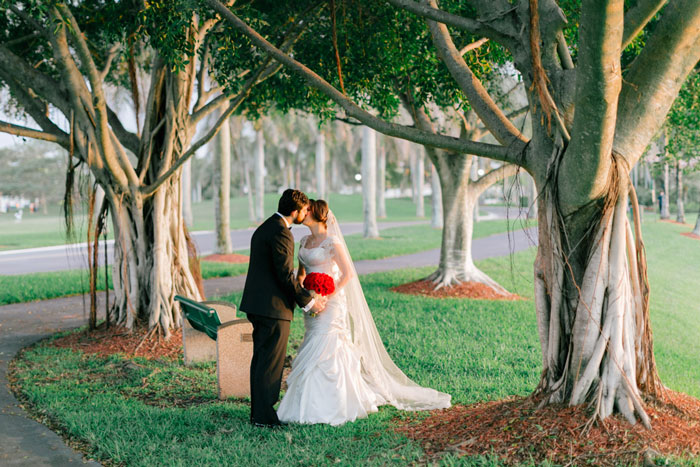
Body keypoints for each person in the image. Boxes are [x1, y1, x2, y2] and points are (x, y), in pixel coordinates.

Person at [277, 199, 451, 426]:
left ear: (318, 215)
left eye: (308, 210)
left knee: (329, 345)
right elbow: (300, 274)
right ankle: (304, 402)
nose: (303, 213)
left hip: (332, 302)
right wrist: (304, 297)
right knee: (312, 342)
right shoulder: (304, 240)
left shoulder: (332, 241)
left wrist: (328, 294)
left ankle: (335, 403)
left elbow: (348, 273)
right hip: (311, 301)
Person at [240, 189, 328, 429]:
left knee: (261, 361)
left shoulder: (266, 226)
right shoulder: (281, 232)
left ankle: (258, 414)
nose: (305, 214)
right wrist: (309, 301)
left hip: (259, 305)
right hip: (272, 308)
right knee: (270, 364)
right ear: (294, 211)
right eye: (303, 211)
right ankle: (264, 418)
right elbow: (284, 276)